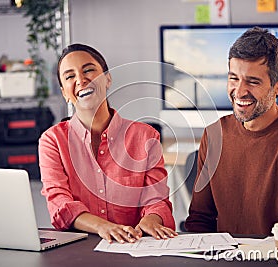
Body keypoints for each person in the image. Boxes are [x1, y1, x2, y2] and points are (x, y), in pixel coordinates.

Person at [185, 27, 278, 235]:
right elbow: (199, 220)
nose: (240, 91)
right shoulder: (214, 135)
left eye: (253, 81)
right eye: (234, 78)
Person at [38, 43, 177, 243]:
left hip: (133, 246)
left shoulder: (146, 137)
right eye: (70, 76)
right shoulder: (52, 141)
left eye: (88, 70)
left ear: (108, 79)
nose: (81, 80)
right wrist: (103, 227)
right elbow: (60, 204)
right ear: (64, 93)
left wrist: (152, 219)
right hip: (78, 250)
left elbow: (157, 200)